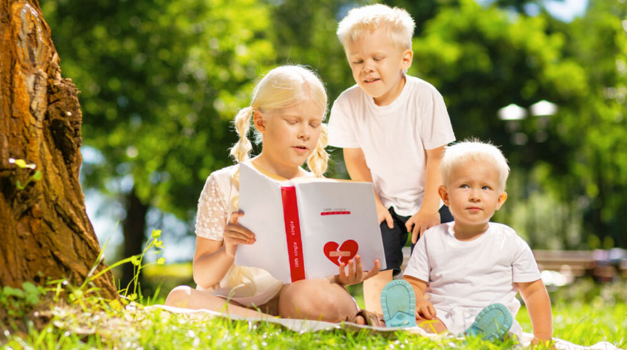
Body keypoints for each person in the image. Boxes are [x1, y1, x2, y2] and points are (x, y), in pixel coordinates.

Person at [165, 65, 387, 324]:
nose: (305, 132)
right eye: (293, 121)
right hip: (234, 303)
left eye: (314, 124)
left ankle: (273, 324)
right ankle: (277, 325)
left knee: (304, 295)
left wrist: (343, 277)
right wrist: (228, 250)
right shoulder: (223, 182)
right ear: (261, 122)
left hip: (301, 299)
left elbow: (326, 277)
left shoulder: (323, 190)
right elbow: (202, 277)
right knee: (179, 297)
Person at [328, 3, 456, 314]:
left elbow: (437, 156)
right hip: (383, 202)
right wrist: (373, 203)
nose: (366, 67)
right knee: (377, 262)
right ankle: (379, 321)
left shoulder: (424, 97)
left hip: (431, 198)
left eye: (377, 58)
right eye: (357, 61)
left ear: (405, 59)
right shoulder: (348, 104)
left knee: (444, 264)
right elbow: (355, 160)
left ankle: (445, 319)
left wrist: (429, 208)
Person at [402, 140, 553, 343]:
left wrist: (543, 338)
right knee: (422, 327)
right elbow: (413, 282)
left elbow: (534, 291)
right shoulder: (431, 239)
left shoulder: (509, 242)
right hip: (442, 319)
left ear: (500, 200)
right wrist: (418, 300)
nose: (475, 196)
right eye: (465, 186)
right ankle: (415, 328)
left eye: (485, 188)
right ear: (445, 196)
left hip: (493, 321)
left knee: (503, 329)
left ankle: (473, 339)